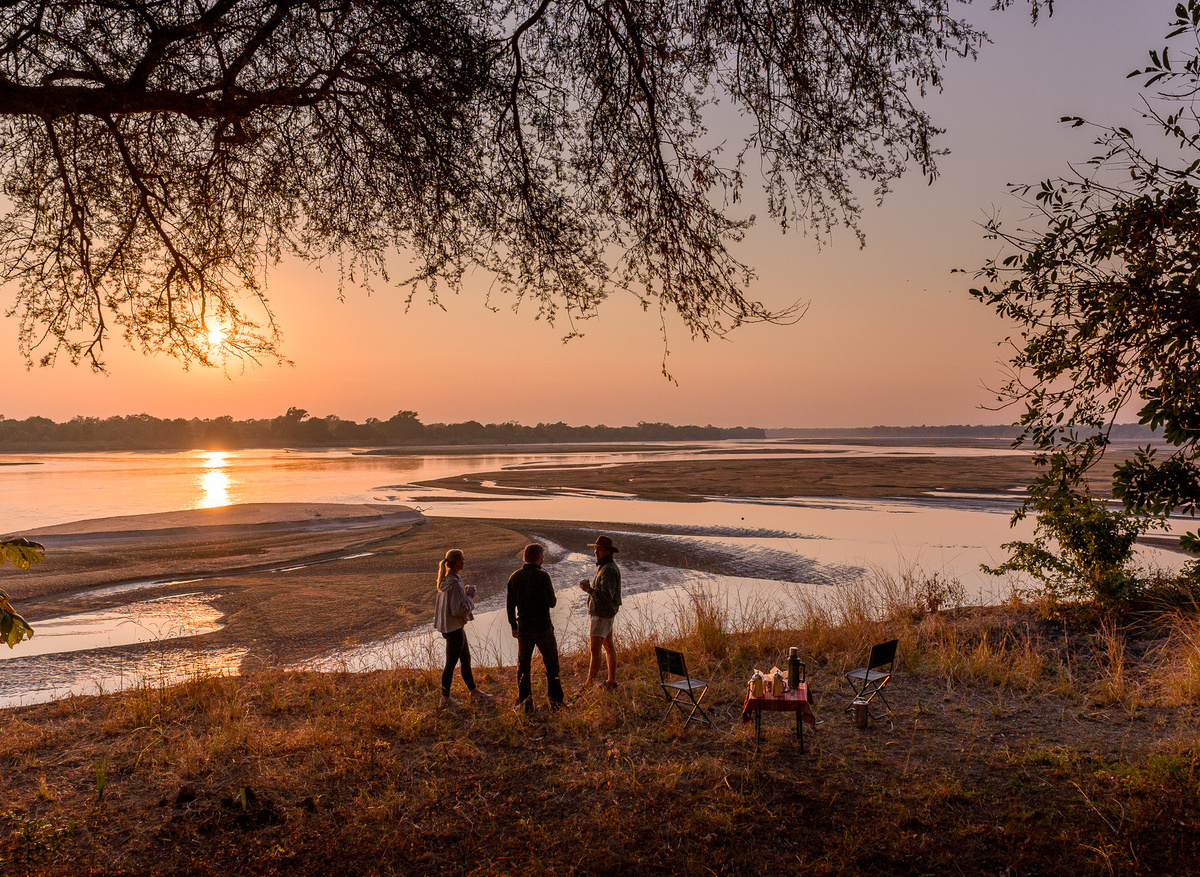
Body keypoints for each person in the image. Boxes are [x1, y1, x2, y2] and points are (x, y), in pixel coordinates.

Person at [506, 543, 564, 712]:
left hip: (524, 627)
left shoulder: (514, 577)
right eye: (542, 556)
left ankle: (525, 702)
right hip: (543, 626)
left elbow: (510, 606)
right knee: (552, 664)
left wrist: (513, 626)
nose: (543, 559)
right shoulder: (543, 577)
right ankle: (556, 702)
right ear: (538, 558)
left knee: (523, 666)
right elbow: (552, 603)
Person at [432, 548, 491, 708]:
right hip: (454, 629)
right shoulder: (454, 583)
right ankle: (445, 699)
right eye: (462, 559)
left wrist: (464, 595)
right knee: (451, 664)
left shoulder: (446, 580)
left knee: (465, 659)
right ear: (456, 561)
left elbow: (454, 603)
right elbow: (459, 610)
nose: (464, 561)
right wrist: (470, 597)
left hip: (450, 627)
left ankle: (474, 692)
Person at [578, 534, 621, 690]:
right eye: (595, 548)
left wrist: (588, 589)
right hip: (606, 614)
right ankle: (612, 680)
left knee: (595, 650)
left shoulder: (608, 570)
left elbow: (606, 596)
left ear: (608, 551)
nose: (595, 551)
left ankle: (589, 684)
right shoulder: (606, 567)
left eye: (598, 549)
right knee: (609, 646)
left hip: (602, 615)